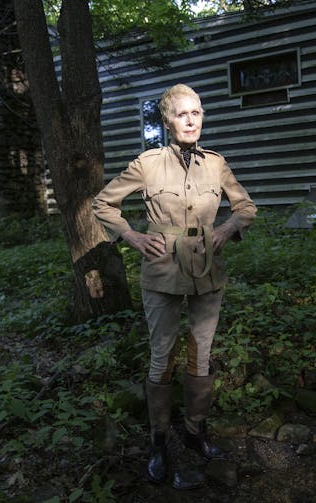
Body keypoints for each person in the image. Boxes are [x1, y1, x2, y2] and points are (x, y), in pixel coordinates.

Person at [92, 84, 257, 485]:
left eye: (197, 113)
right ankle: (159, 442)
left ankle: (196, 431)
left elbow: (246, 206)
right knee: (162, 355)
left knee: (201, 355)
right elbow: (103, 203)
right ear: (167, 121)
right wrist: (131, 236)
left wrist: (227, 228)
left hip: (208, 271)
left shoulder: (216, 164)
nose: (191, 120)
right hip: (162, 271)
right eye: (183, 114)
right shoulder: (148, 164)